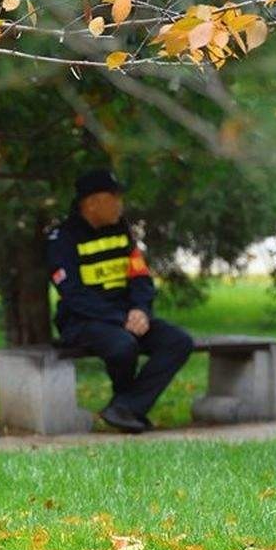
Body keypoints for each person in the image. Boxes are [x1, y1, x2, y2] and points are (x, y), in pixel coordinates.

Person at [45, 168, 193, 433]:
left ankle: (126, 407)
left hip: (127, 318)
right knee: (123, 346)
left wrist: (140, 310)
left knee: (178, 342)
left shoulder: (122, 231)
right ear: (91, 203)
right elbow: (74, 295)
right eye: (113, 197)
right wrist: (121, 318)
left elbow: (140, 277)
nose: (120, 203)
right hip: (83, 322)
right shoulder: (62, 239)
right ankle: (127, 407)